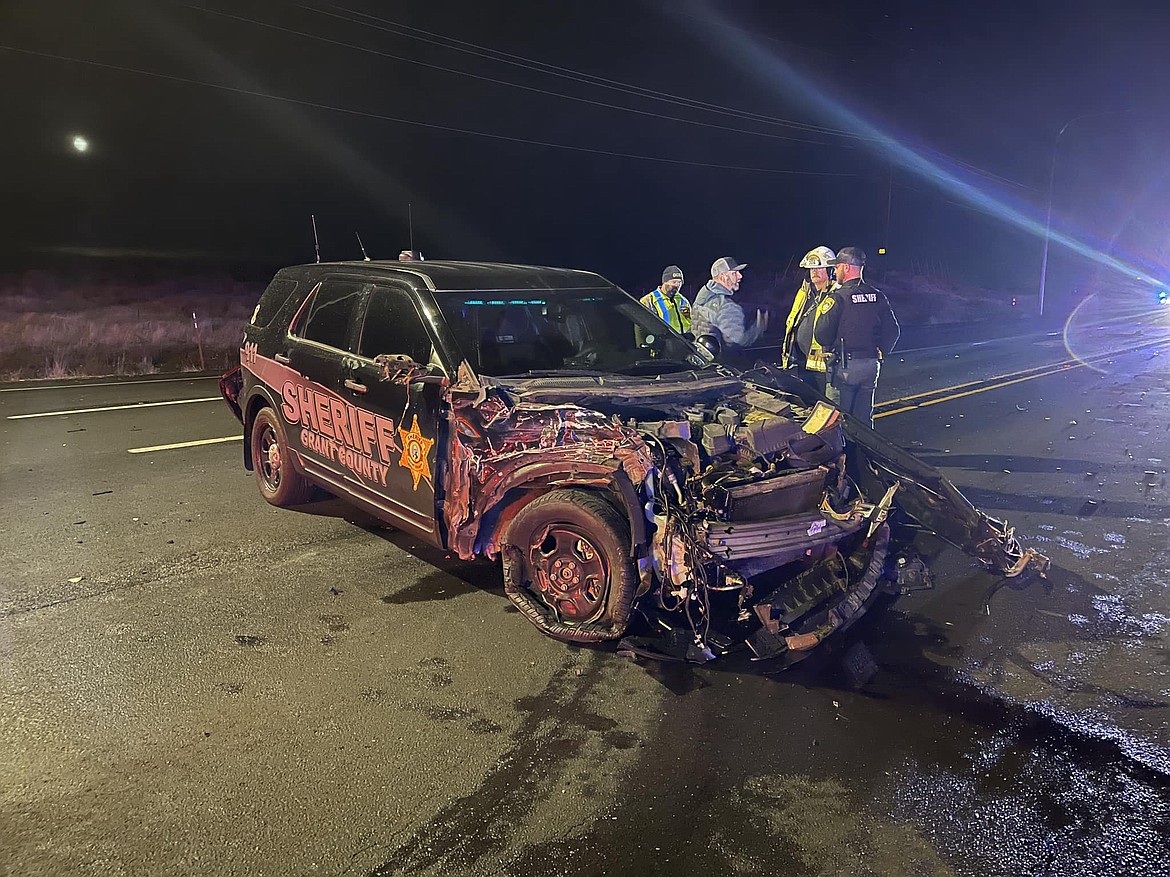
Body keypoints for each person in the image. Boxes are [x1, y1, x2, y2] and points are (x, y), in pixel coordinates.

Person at [813, 247, 899, 428]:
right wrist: (881, 351)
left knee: (836, 422)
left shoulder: (838, 298)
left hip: (845, 368)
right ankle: (864, 455)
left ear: (845, 267)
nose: (834, 271)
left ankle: (844, 455)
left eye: (836, 268)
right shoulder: (878, 296)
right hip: (870, 365)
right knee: (863, 420)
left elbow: (821, 334)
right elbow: (893, 330)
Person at [781, 246, 838, 395]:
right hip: (801, 362)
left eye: (819, 268)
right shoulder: (803, 293)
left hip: (824, 367)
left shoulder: (836, 295)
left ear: (831, 271)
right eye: (812, 268)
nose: (814, 272)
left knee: (826, 408)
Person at [691, 257, 768, 349]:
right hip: (717, 360)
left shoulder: (702, 298)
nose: (740, 276)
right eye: (734, 273)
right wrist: (758, 328)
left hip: (699, 356)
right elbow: (738, 341)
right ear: (723, 277)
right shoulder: (726, 306)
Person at [639, 266, 692, 335]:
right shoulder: (649, 300)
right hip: (664, 342)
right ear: (665, 282)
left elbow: (690, 320)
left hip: (685, 341)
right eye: (674, 282)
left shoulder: (682, 300)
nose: (677, 285)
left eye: (680, 282)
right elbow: (642, 327)